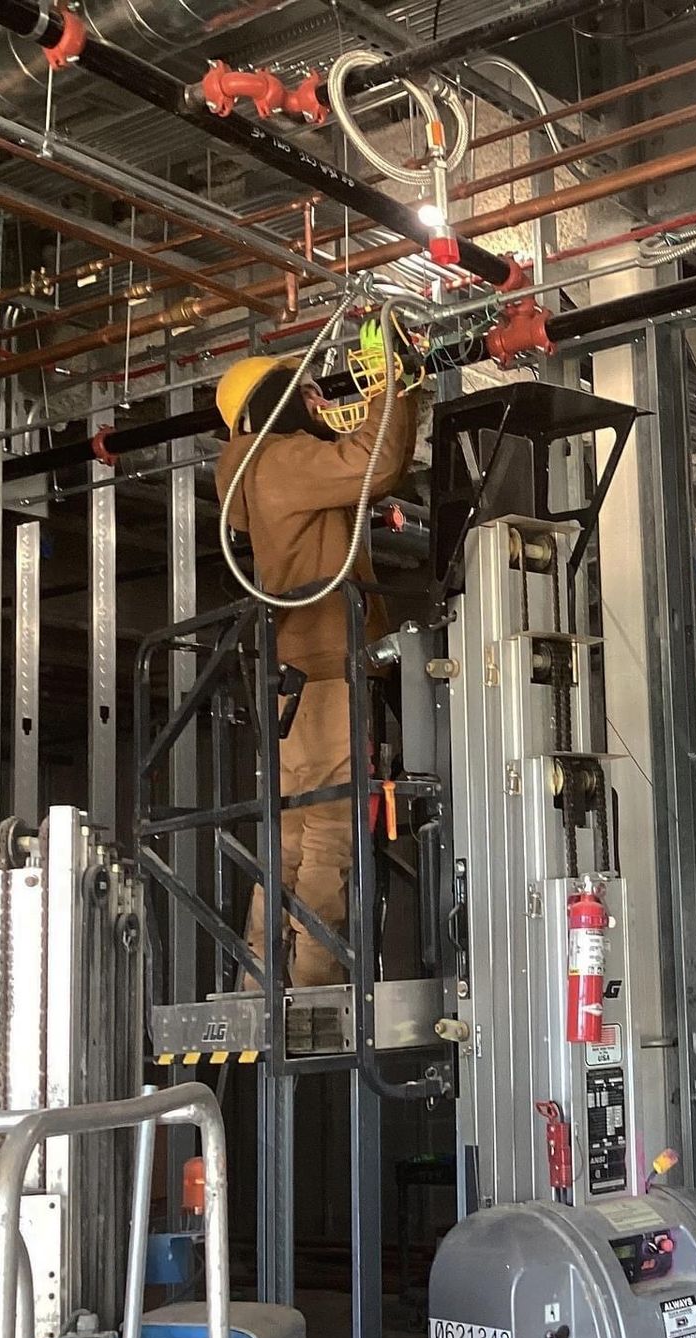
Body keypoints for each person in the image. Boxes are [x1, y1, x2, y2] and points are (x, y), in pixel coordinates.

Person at [213, 331, 419, 988]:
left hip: (292, 674)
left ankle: (258, 976)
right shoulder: (281, 459)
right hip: (330, 667)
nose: (314, 399)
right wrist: (389, 381)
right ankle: (311, 984)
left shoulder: (249, 467)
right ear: (274, 402)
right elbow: (376, 463)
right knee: (332, 825)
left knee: (291, 832)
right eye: (300, 392)